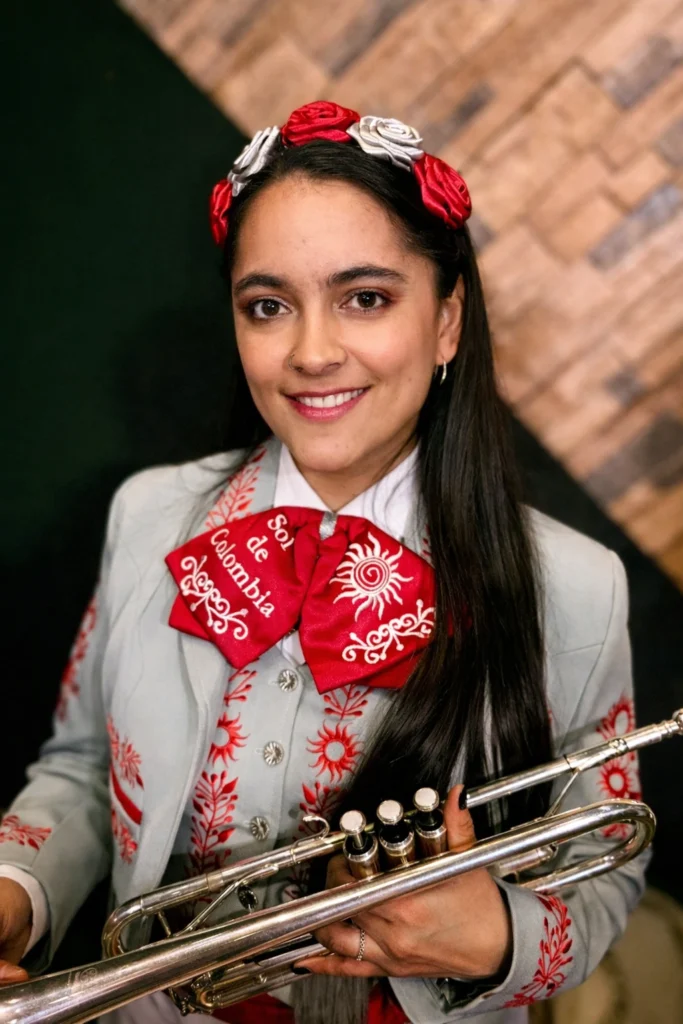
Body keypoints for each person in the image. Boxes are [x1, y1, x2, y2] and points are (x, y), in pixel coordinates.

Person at [0, 101, 646, 1024]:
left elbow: (607, 875)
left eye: (366, 298)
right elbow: (82, 771)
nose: (309, 352)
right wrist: (14, 888)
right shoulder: (149, 518)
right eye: (268, 306)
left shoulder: (579, 587)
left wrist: (497, 935)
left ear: (448, 321)